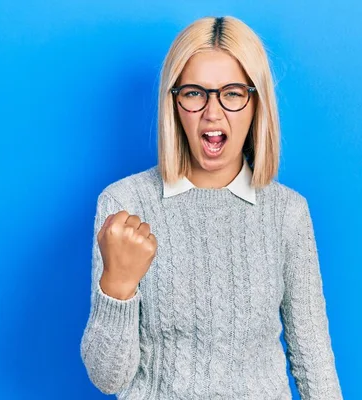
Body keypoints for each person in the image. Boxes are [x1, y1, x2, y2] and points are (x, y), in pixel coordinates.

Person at [80, 15, 343, 400]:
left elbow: (313, 360)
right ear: (174, 102)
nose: (213, 113)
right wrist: (117, 287)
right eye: (194, 93)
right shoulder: (124, 205)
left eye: (233, 93)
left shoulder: (287, 212)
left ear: (256, 103)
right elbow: (108, 379)